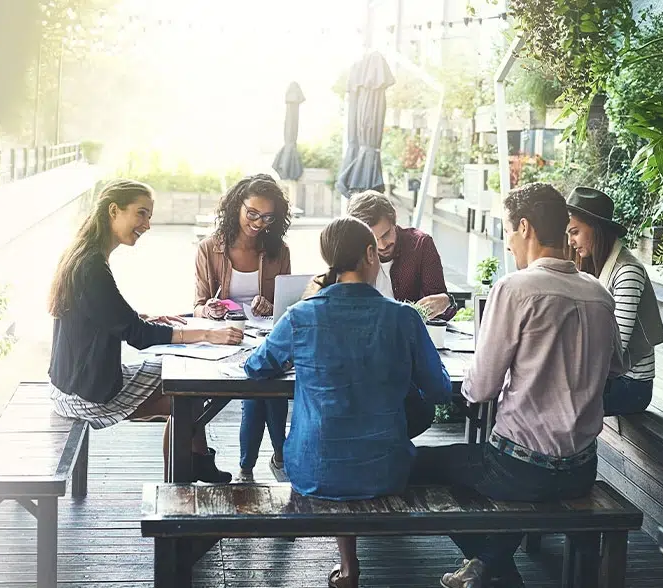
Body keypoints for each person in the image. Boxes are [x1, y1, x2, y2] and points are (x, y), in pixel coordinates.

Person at [412, 183, 626, 588]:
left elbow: (479, 389)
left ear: (525, 228)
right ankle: (488, 564)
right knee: (475, 467)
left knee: (419, 464)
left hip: (518, 469)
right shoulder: (599, 293)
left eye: (508, 230)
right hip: (582, 468)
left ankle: (497, 572)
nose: (508, 243)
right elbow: (616, 367)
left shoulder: (515, 289)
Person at [243, 217, 452, 588]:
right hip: (386, 470)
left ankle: (349, 566)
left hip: (311, 469)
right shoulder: (403, 317)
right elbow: (439, 390)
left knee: (336, 425)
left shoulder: (301, 316)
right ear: (371, 254)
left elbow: (255, 366)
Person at [47, 179, 241, 483]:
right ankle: (184, 478)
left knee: (185, 397)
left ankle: (190, 470)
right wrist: (205, 334)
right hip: (83, 392)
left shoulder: (85, 254)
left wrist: (142, 317)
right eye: (141, 213)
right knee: (186, 395)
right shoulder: (92, 266)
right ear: (114, 210)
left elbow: (102, 314)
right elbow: (137, 336)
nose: (147, 225)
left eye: (149, 216)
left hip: (71, 383)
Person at [193, 174, 293, 482]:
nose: (258, 223)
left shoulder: (279, 251)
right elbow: (196, 306)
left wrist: (271, 304)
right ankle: (280, 457)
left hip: (266, 339)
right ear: (237, 206)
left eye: (267, 217)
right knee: (264, 388)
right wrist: (208, 309)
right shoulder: (209, 249)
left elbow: (288, 307)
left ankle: (247, 469)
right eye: (252, 213)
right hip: (226, 340)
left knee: (262, 389)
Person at [566, 186, 663, 416]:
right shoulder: (596, 266)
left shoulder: (627, 271)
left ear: (596, 229)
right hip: (608, 377)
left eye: (575, 232)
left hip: (631, 386)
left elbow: (616, 348)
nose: (570, 241)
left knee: (556, 401)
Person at [345, 190, 457, 321]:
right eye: (373, 240)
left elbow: (441, 312)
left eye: (386, 234)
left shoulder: (420, 245)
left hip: (410, 336)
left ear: (394, 219)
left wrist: (447, 301)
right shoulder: (351, 253)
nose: (382, 245)